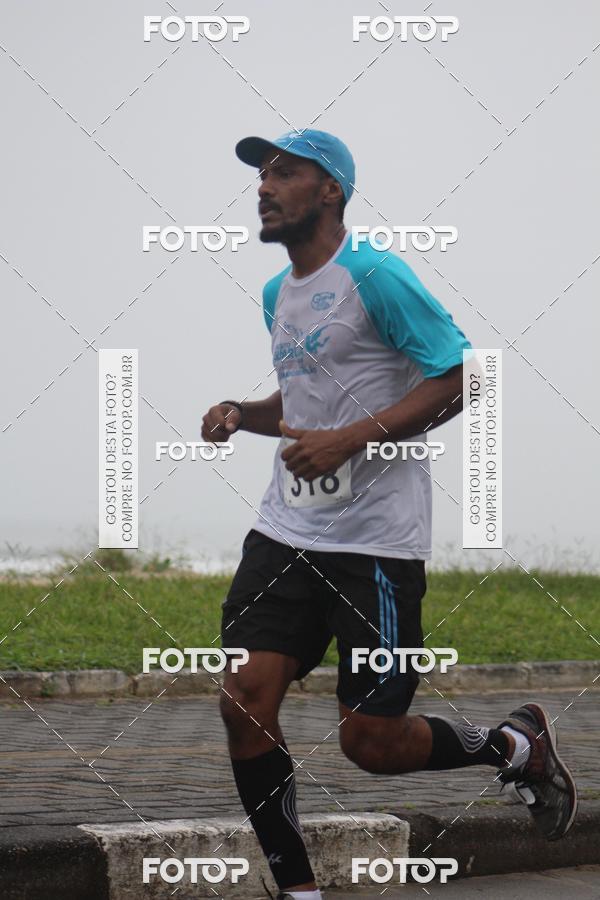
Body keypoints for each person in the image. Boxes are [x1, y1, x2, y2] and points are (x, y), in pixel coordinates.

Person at [201, 129, 577, 899]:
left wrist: (347, 441)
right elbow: (309, 402)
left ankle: (511, 742)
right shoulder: (278, 293)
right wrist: (246, 412)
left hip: (375, 546)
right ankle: (298, 892)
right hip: (286, 533)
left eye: (285, 173)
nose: (264, 187)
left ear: (330, 190)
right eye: (261, 175)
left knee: (368, 743)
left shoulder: (376, 275)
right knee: (244, 702)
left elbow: (462, 376)